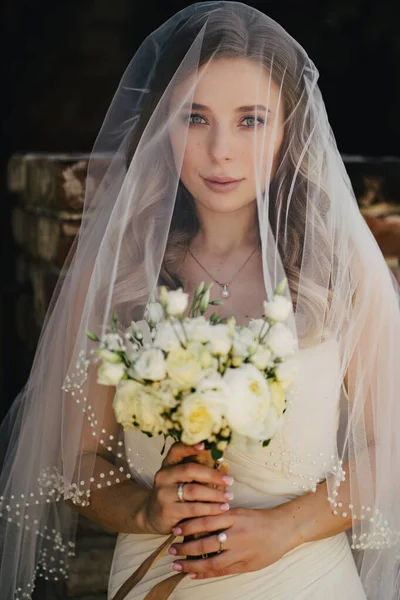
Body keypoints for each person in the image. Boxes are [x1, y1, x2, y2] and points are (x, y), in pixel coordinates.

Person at [1, 2, 400, 599]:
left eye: (250, 120)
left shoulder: (338, 273)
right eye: (194, 117)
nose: (221, 150)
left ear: (289, 130)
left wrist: (284, 529)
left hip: (307, 579)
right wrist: (145, 511)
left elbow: (391, 448)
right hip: (158, 580)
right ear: (162, 126)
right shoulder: (119, 275)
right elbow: (77, 463)